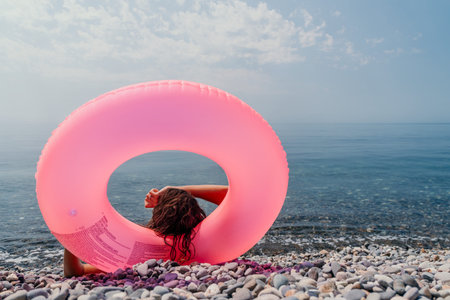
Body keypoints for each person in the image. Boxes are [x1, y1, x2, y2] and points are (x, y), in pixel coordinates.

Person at [63, 185, 228, 277]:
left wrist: (75, 231)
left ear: (158, 215)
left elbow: (74, 272)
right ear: (196, 213)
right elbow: (230, 193)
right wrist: (179, 190)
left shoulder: (144, 251)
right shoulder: (208, 240)